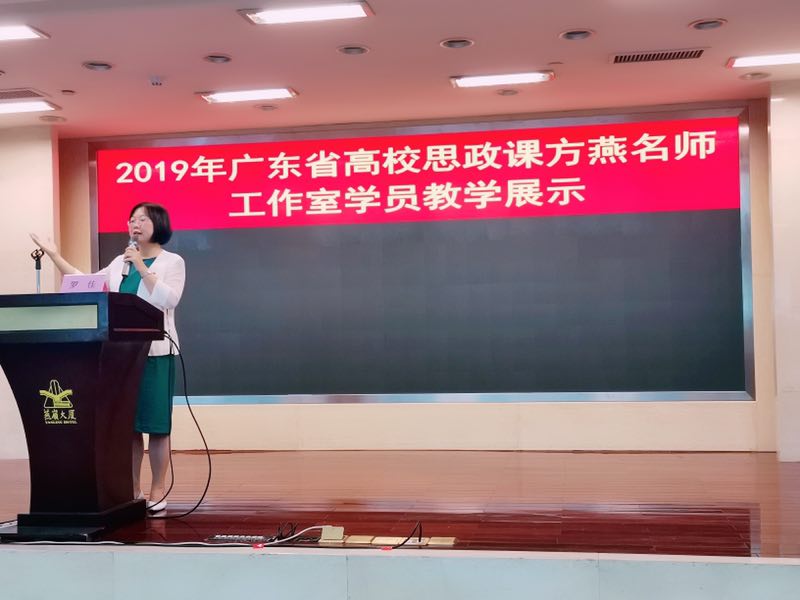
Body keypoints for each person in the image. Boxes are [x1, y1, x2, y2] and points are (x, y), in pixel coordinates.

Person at [31, 202, 185, 514]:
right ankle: (134, 490)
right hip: (122, 356)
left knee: (157, 426)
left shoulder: (172, 261)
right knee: (129, 428)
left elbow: (169, 299)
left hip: (156, 354)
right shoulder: (119, 263)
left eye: (142, 219)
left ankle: (157, 489)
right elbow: (84, 282)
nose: (135, 224)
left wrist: (141, 267)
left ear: (158, 224)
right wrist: (55, 256)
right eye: (132, 219)